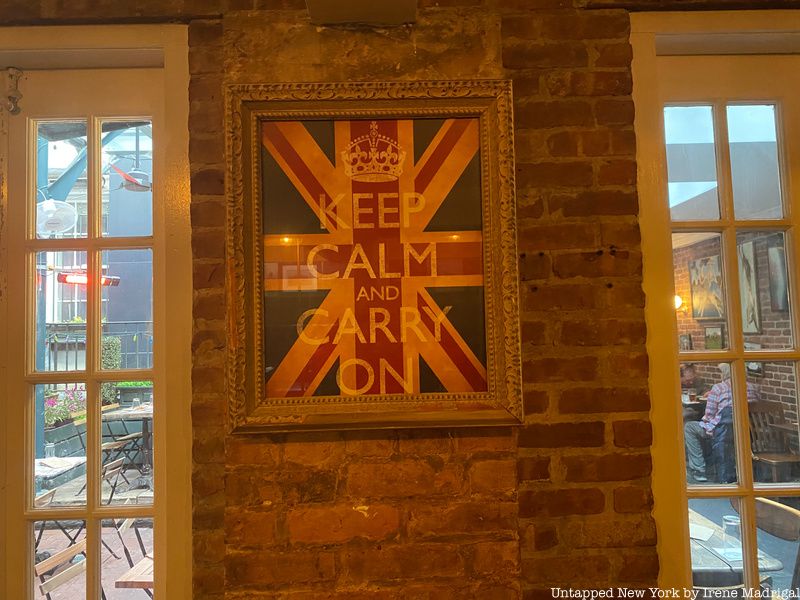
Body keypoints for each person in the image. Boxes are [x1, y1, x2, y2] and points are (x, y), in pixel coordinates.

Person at [684, 363, 759, 483]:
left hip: (722, 432)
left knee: (689, 427)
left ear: (725, 373)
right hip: (746, 432)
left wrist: (702, 419)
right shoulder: (753, 388)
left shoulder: (718, 388)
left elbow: (709, 415)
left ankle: (699, 470)